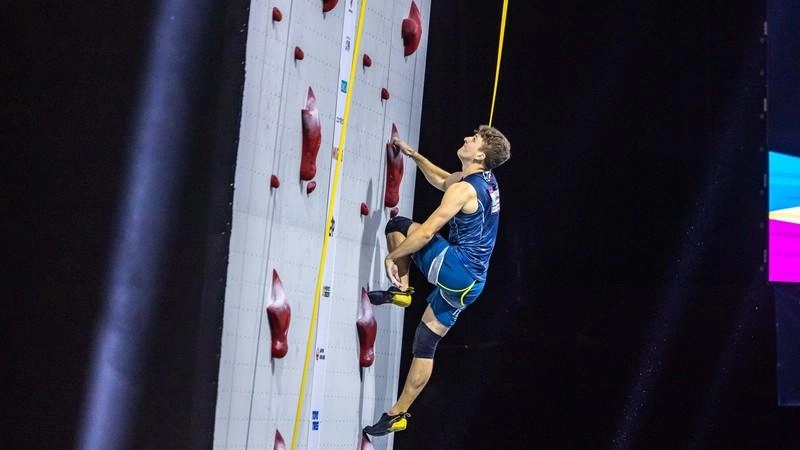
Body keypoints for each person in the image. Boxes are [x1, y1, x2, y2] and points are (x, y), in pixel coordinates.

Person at [363, 125, 511, 436]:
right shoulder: (486, 181)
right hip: (474, 283)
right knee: (426, 343)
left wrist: (392, 257)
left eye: (474, 139)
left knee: (400, 226)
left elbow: (428, 232)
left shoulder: (464, 190)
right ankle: (397, 415)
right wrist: (414, 155)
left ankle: (402, 289)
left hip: (457, 270)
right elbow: (443, 179)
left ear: (480, 155)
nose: (467, 137)